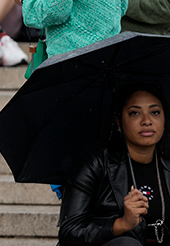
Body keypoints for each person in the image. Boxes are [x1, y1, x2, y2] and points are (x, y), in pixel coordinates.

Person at [58, 85, 170, 246]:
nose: (147, 121)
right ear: (119, 121)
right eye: (135, 113)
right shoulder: (94, 163)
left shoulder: (166, 164)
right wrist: (122, 224)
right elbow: (70, 233)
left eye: (155, 112)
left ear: (165, 118)